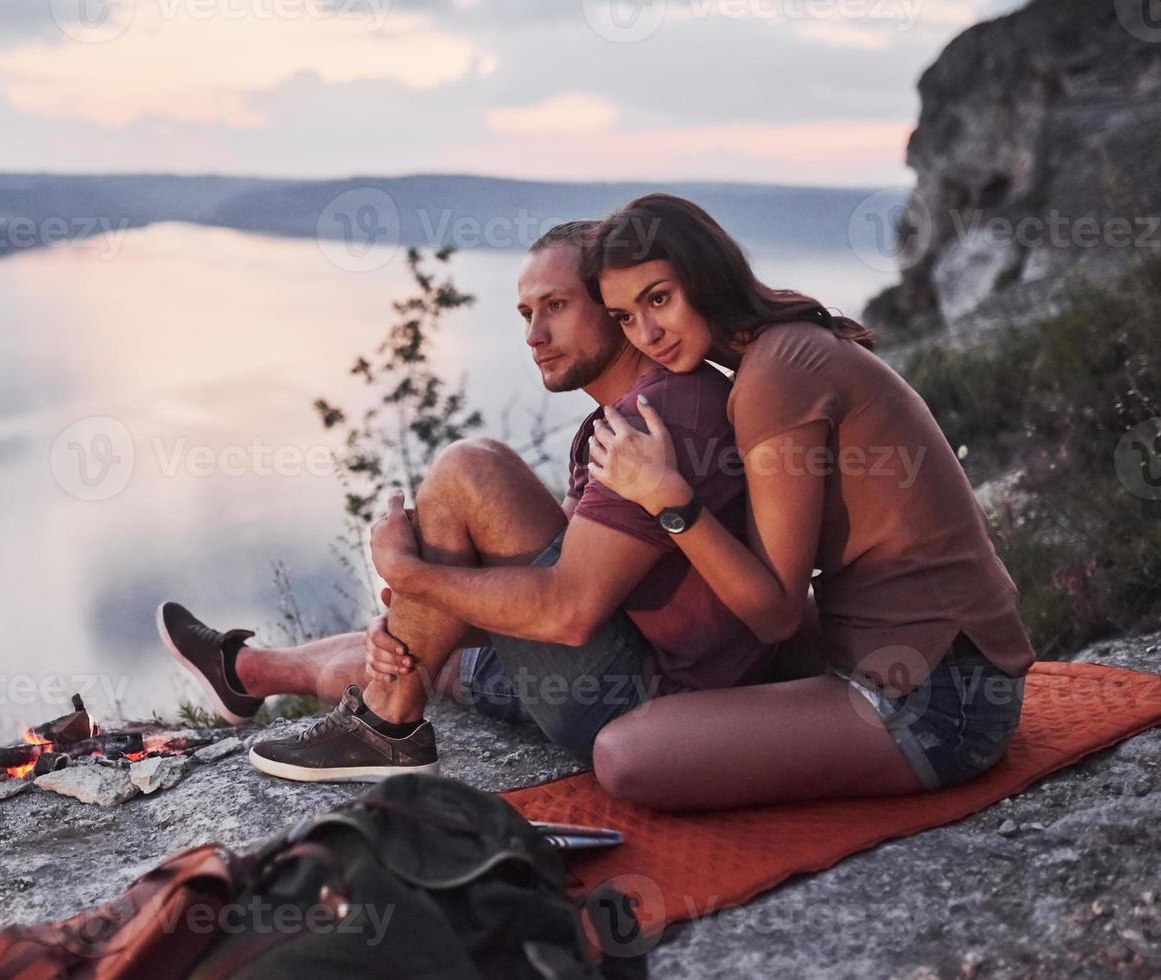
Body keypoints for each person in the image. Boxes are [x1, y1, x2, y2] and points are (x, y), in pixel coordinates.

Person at [158, 221, 783, 783]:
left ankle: (383, 725)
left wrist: (412, 577)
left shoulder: (662, 414)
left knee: (470, 468)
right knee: (426, 653)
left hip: (648, 703)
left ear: (612, 306)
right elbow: (581, 573)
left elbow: (568, 611)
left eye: (557, 307)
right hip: (621, 663)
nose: (535, 336)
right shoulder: (609, 426)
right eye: (525, 314)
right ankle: (245, 671)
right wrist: (420, 612)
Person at [548, 192, 1034, 811]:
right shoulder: (782, 347)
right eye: (622, 317)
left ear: (705, 274)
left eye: (659, 299)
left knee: (625, 754)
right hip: (942, 667)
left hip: (938, 703)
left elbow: (775, 613)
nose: (646, 334)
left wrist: (665, 498)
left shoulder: (775, 374)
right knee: (695, 655)